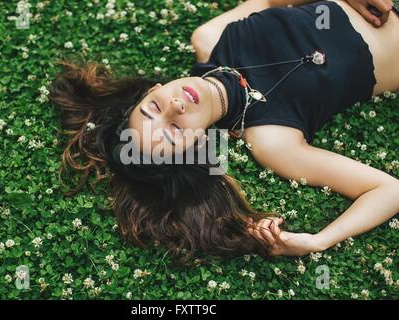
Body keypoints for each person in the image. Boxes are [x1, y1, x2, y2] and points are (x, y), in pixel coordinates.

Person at [49, 0, 399, 264]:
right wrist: (318, 240)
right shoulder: (272, 139)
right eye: (173, 131)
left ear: (154, 88)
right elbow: (388, 190)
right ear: (198, 145)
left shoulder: (210, 38)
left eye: (154, 106)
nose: (175, 107)